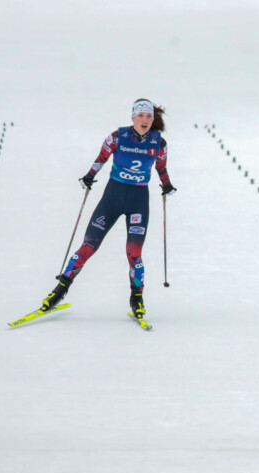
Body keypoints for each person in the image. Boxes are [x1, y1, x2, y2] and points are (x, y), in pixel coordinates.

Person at [41, 98, 176, 320]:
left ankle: (137, 298)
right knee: (88, 246)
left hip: (138, 202)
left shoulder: (158, 143)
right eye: (140, 115)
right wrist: (88, 177)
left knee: (134, 254)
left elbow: (161, 167)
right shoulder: (117, 137)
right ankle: (59, 290)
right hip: (112, 199)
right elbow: (100, 159)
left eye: (149, 116)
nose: (145, 120)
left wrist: (167, 185)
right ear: (132, 117)